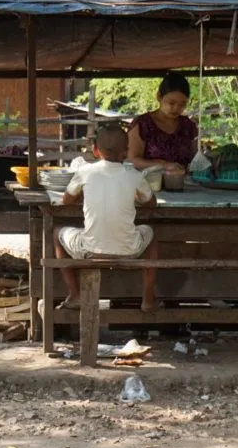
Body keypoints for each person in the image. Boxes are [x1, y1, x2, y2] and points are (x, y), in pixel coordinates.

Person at [54, 124, 159, 312]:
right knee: (150, 232)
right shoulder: (134, 176)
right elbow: (151, 203)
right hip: (130, 250)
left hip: (89, 250)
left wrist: (83, 192)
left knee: (56, 233)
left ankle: (75, 294)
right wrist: (132, 194)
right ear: (126, 152)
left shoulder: (84, 172)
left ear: (95, 150)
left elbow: (66, 200)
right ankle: (148, 298)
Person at [127, 72, 198, 171]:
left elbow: (195, 158)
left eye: (182, 104)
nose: (176, 108)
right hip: (150, 183)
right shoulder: (143, 124)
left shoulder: (188, 126)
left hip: (183, 183)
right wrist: (163, 165)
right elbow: (132, 160)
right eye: (171, 103)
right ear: (159, 96)